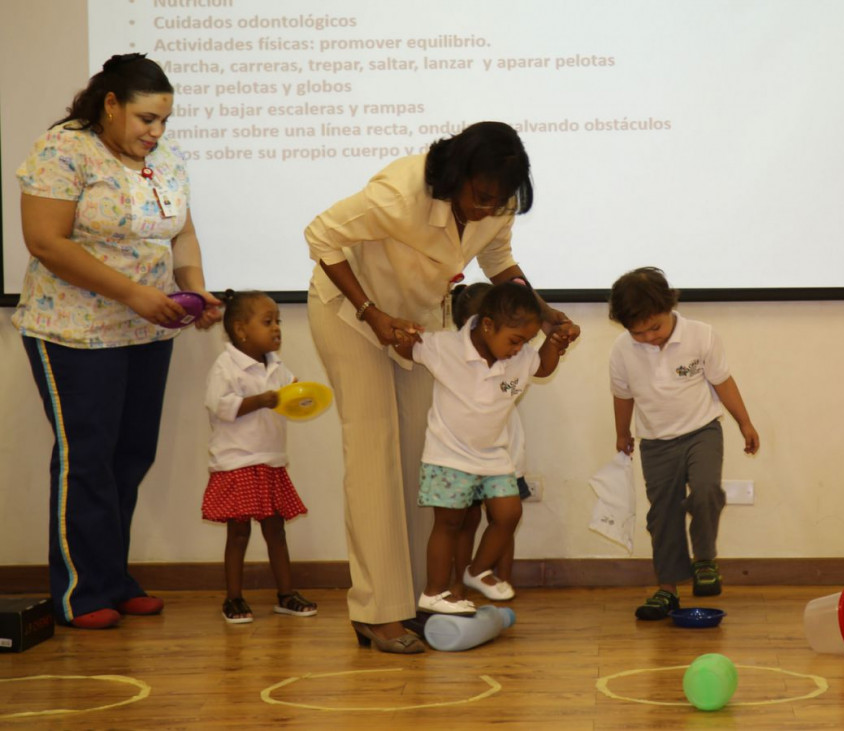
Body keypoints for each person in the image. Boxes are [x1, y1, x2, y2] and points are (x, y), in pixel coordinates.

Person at [304, 121, 578, 652]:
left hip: (416, 326)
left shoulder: (495, 205)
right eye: (480, 197)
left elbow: (499, 262)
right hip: (349, 314)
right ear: (458, 175)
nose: (486, 209)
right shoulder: (399, 192)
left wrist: (543, 315)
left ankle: (414, 600)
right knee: (372, 450)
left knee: (419, 457)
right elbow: (320, 236)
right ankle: (375, 611)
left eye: (499, 201)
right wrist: (371, 312)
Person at [14, 53, 222, 630]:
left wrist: (196, 291)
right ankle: (81, 593)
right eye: (146, 120)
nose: (156, 133)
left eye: (163, 122)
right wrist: (133, 293)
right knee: (87, 460)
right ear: (111, 105)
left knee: (130, 458)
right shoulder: (63, 149)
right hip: (74, 333)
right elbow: (46, 242)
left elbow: (183, 232)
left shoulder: (165, 159)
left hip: (145, 332)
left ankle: (114, 579)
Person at [396, 281, 568, 615]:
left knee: (509, 513)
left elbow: (543, 366)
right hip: (447, 455)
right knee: (448, 524)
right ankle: (433, 592)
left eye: (526, 342)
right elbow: (407, 348)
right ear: (487, 325)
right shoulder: (445, 347)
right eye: (515, 340)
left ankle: (475, 571)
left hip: (493, 455)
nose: (520, 349)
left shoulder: (519, 357)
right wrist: (398, 330)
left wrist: (555, 342)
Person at [607, 267, 760, 620]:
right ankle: (667, 589)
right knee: (663, 515)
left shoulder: (701, 336)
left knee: (706, 489)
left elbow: (723, 382)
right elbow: (622, 394)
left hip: (702, 431)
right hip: (656, 442)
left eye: (655, 328)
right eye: (638, 332)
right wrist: (621, 432)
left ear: (670, 306)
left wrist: (745, 422)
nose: (648, 337)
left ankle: (704, 560)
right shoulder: (622, 350)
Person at [202, 291, 316, 624]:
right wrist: (262, 399)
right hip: (236, 463)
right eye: (268, 322)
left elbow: (290, 397)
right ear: (240, 330)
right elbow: (221, 406)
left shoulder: (277, 365)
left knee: (276, 532)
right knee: (238, 535)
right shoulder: (225, 366)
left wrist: (302, 395)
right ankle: (234, 599)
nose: (277, 328)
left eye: (278, 321)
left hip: (270, 461)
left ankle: (286, 594)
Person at [448, 282, 533, 601]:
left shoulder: (515, 359)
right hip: (463, 459)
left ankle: (501, 582)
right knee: (463, 521)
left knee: (503, 520)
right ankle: (459, 584)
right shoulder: (454, 360)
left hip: (505, 457)